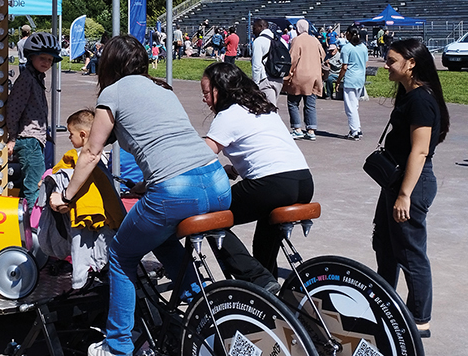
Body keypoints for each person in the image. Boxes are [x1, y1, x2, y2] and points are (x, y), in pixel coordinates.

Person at [48, 35, 232, 356]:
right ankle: (198, 304)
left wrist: (66, 195)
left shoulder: (112, 93)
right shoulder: (163, 89)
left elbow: (90, 153)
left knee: (121, 256)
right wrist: (145, 186)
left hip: (175, 191)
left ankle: (117, 345)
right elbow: (171, 144)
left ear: (108, 64)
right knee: (160, 238)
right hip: (216, 182)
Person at [201, 62, 313, 283]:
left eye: (206, 93)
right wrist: (234, 169)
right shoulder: (263, 108)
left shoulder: (228, 115)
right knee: (265, 237)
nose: (204, 100)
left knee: (209, 218)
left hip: (273, 185)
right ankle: (268, 289)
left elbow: (200, 158)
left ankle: (258, 280)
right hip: (302, 181)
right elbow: (267, 149)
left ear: (219, 89)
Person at [372, 39, 450, 339]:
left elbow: (420, 151)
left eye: (391, 61)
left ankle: (419, 319)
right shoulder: (409, 95)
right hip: (397, 181)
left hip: (412, 183)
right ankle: (384, 303)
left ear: (411, 63)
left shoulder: (420, 100)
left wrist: (404, 195)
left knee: (410, 252)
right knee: (385, 244)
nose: (386, 66)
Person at [37, 109, 124, 289]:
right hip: (106, 215)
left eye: (71, 134)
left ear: (83, 135)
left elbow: (66, 176)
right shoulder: (99, 160)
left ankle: (80, 283)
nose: (69, 137)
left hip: (85, 214)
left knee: (82, 249)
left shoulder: (80, 159)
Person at [6, 32, 62, 209]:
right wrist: (12, 137)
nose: (46, 63)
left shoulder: (36, 78)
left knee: (32, 182)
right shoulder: (27, 79)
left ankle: (28, 217)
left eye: (50, 60)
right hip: (28, 139)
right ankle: (34, 220)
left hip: (36, 138)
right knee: (34, 186)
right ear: (31, 57)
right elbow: (14, 109)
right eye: (42, 58)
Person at [283, 19, 325, 140]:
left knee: (293, 102)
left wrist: (288, 74)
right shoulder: (315, 40)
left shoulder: (297, 40)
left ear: (298, 28)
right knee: (310, 104)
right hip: (315, 76)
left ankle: (297, 129)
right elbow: (322, 55)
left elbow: (293, 58)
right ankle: (311, 130)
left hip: (300, 76)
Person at [335, 26, 369, 140]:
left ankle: (354, 131)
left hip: (350, 78)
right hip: (360, 78)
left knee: (350, 107)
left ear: (349, 34)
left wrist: (338, 80)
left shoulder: (346, 48)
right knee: (355, 105)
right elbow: (366, 63)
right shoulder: (363, 47)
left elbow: (344, 67)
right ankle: (357, 128)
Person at [251, 18, 283, 106]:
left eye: (255, 28)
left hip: (265, 79)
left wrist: (255, 83)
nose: (253, 31)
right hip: (279, 78)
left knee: (268, 109)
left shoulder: (259, 41)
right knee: (272, 105)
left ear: (261, 26)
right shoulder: (280, 40)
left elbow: (256, 65)